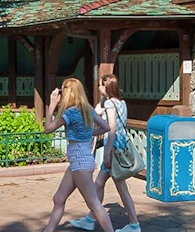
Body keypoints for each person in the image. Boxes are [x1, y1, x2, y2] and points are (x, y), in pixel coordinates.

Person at [42, 78, 114, 232]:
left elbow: (48, 128)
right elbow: (106, 127)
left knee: (94, 203)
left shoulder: (71, 112)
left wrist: (52, 105)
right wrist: (89, 134)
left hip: (80, 162)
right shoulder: (88, 109)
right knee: (59, 198)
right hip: (80, 160)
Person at [70, 75, 141, 232]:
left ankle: (134, 225)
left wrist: (107, 153)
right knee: (101, 184)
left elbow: (112, 127)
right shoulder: (120, 102)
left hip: (114, 148)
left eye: (101, 85)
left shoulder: (110, 103)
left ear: (107, 86)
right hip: (120, 145)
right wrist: (102, 99)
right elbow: (95, 112)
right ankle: (91, 218)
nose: (98, 87)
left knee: (118, 187)